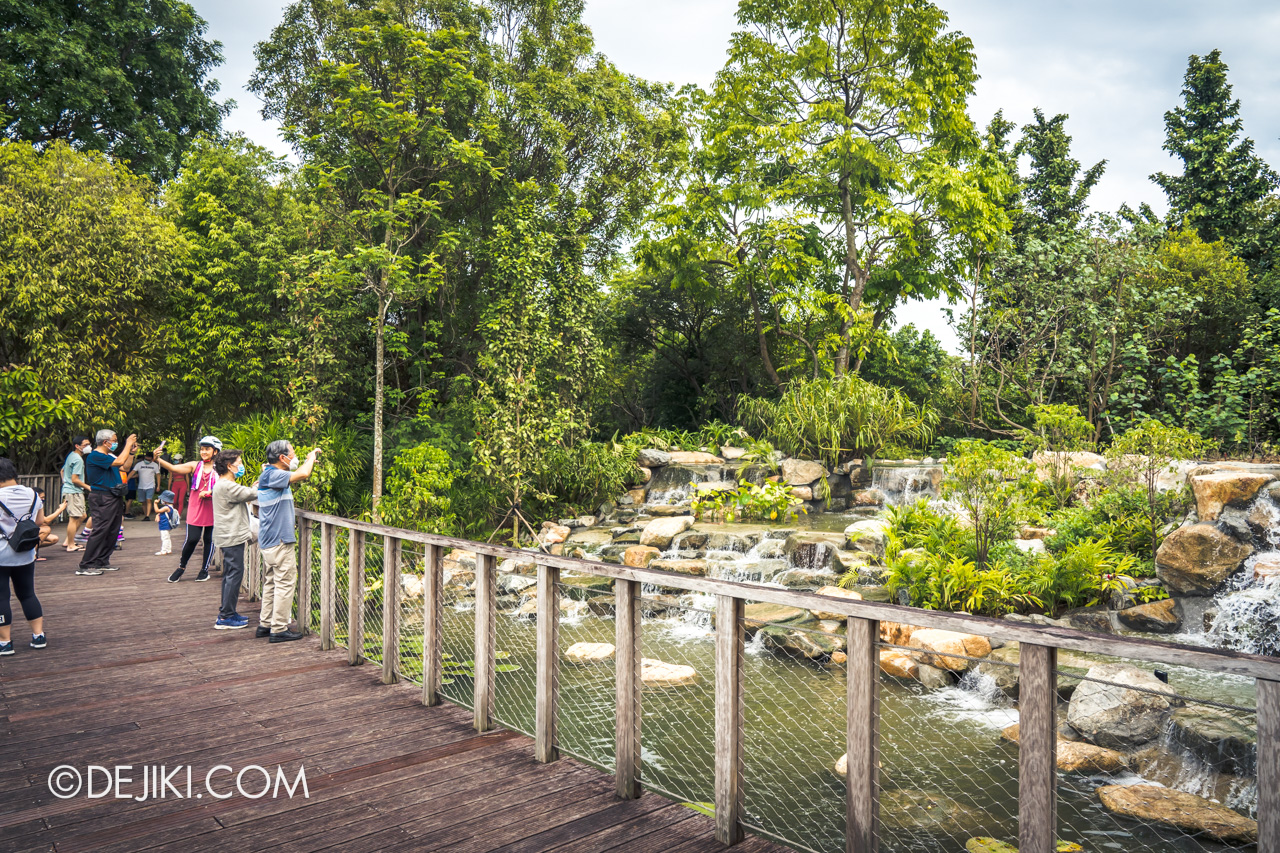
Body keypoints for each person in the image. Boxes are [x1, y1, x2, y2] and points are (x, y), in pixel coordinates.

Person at [256, 440, 320, 642]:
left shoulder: (269, 474)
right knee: (284, 584)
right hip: (279, 540)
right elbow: (303, 474)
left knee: (272, 583)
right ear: (282, 458)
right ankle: (278, 628)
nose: (295, 456)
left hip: (269, 539)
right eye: (292, 453)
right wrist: (311, 458)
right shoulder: (273, 474)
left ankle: (265, 624)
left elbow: (296, 473)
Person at [0, 458, 53, 655]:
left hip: (1, 554)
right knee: (28, 594)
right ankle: (38, 636)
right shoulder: (32, 493)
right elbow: (39, 521)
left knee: (1, 597)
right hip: (26, 553)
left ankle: (5, 643)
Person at [154, 437, 220, 583]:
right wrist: (158, 458)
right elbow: (173, 468)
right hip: (196, 506)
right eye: (202, 449)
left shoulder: (221, 468)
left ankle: (204, 570)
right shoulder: (195, 465)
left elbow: (227, 484)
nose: (203, 452)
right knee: (192, 539)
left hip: (214, 507)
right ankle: (181, 567)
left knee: (209, 539)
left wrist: (210, 493)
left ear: (215, 451)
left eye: (207, 449)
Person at [78, 429, 137, 576]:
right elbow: (119, 461)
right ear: (105, 442)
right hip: (102, 497)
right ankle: (87, 564)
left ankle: (102, 561)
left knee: (113, 529)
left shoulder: (108, 455)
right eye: (114, 440)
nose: (116, 442)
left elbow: (125, 467)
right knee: (101, 529)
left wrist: (131, 453)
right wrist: (128, 444)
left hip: (114, 496)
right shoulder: (95, 456)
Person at [211, 450, 256, 630]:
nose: (241, 465)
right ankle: (225, 616)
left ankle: (229, 611)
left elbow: (245, 492)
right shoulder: (225, 485)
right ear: (229, 466)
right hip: (230, 536)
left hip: (229, 535)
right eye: (239, 462)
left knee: (232, 574)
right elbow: (250, 493)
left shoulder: (225, 484)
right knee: (234, 575)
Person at [61, 436, 92, 552]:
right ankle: (70, 545)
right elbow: (75, 479)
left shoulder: (71, 456)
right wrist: (88, 487)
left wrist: (65, 482)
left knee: (82, 516)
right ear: (77, 446)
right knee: (74, 518)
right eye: (85, 445)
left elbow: (62, 471)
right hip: (73, 491)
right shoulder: (78, 459)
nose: (88, 447)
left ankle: (68, 540)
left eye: (89, 444)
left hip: (71, 490)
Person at [130, 451, 161, 520]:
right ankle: (145, 514)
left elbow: (158, 475)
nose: (147, 459)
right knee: (143, 502)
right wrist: (126, 480)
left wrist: (158, 486)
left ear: (152, 458)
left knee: (148, 500)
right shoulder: (139, 464)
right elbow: (133, 472)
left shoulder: (154, 465)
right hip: (141, 486)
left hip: (151, 485)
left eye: (149, 458)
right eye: (146, 457)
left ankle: (147, 516)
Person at [154, 491, 180, 555]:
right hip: (167, 525)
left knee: (164, 538)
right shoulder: (170, 507)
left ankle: (164, 550)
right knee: (167, 537)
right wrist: (157, 515)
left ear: (165, 500)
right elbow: (160, 513)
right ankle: (168, 549)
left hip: (164, 525)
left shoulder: (166, 507)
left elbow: (157, 510)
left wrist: (155, 503)